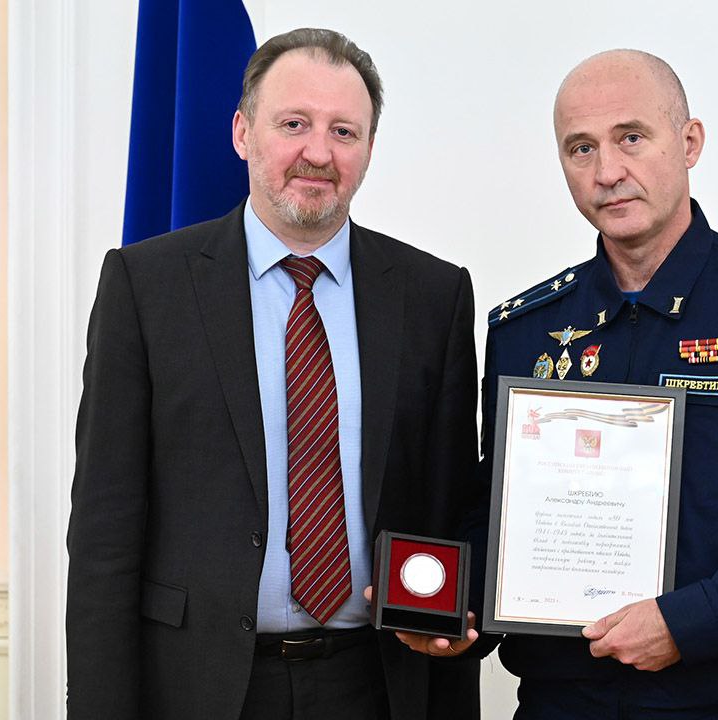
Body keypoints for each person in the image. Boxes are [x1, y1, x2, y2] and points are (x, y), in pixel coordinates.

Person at [66, 28, 479, 720]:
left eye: (344, 131)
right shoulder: (147, 287)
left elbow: (452, 502)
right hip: (199, 687)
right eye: (294, 124)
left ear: (369, 149)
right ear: (242, 133)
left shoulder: (433, 297)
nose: (318, 152)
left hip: (376, 684)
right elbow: (105, 531)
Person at [461, 50, 718, 719]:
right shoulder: (525, 329)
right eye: (580, 148)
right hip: (563, 703)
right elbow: (500, 505)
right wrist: (459, 608)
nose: (607, 172)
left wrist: (692, 623)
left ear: (689, 143)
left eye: (631, 137)